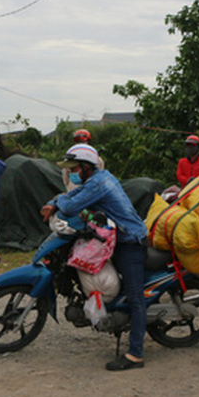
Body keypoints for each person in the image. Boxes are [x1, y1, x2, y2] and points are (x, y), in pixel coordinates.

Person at [41, 144, 148, 371]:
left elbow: (70, 205)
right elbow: (69, 196)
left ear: (86, 167)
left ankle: (136, 354)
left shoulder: (99, 183)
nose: (70, 172)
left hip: (130, 243)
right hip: (115, 239)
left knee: (136, 298)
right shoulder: (95, 180)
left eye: (73, 168)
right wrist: (54, 202)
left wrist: (56, 203)